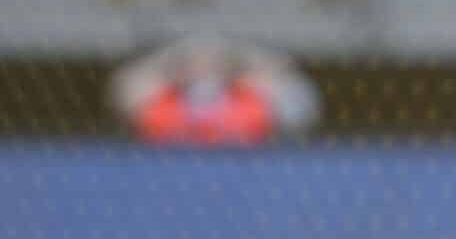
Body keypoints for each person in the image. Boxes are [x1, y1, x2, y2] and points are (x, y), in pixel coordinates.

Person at [112, 38, 318, 146]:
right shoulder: (163, 104)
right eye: (195, 62)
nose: (205, 69)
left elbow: (298, 106)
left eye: (215, 62)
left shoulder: (249, 102)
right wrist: (171, 60)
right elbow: (124, 90)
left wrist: (239, 62)